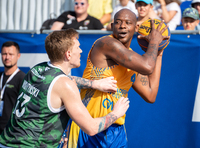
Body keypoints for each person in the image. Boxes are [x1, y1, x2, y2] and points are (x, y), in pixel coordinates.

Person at [0, 29, 130, 148]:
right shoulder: (65, 86)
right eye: (78, 47)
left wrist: (95, 84)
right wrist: (116, 113)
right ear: (68, 54)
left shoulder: (37, 69)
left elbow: (66, 81)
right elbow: (91, 128)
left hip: (6, 141)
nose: (81, 51)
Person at [64, 9, 170, 148]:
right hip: (88, 126)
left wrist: (159, 53)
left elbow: (150, 95)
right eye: (118, 22)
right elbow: (148, 66)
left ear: (136, 28)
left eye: (128, 23)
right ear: (112, 26)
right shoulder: (107, 43)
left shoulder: (132, 60)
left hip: (115, 130)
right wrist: (155, 42)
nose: (122, 26)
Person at [0, 41, 25, 134]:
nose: (7, 57)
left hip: (12, 132)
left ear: (18, 56)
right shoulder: (0, 76)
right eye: (4, 54)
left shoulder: (22, 79)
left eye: (11, 54)